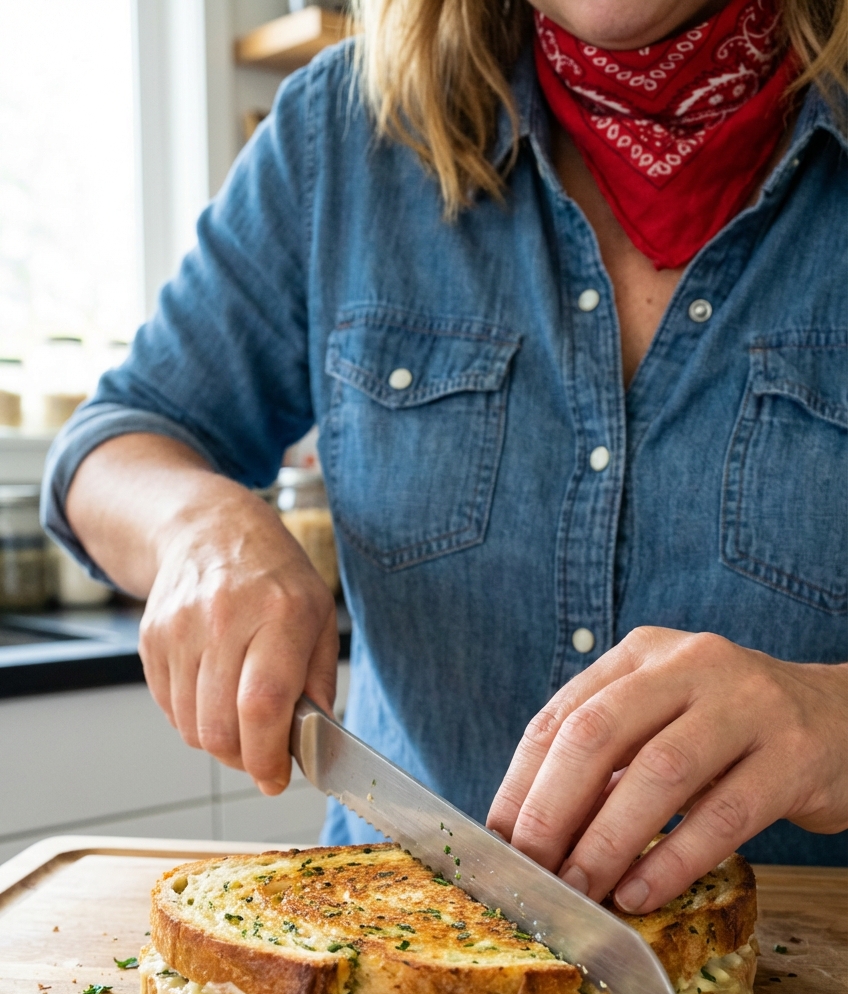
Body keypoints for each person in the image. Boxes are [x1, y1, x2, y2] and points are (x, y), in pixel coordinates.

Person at [43, 0, 847, 914]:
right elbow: (115, 440)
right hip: (391, 939)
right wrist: (198, 528)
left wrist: (833, 719)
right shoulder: (340, 131)